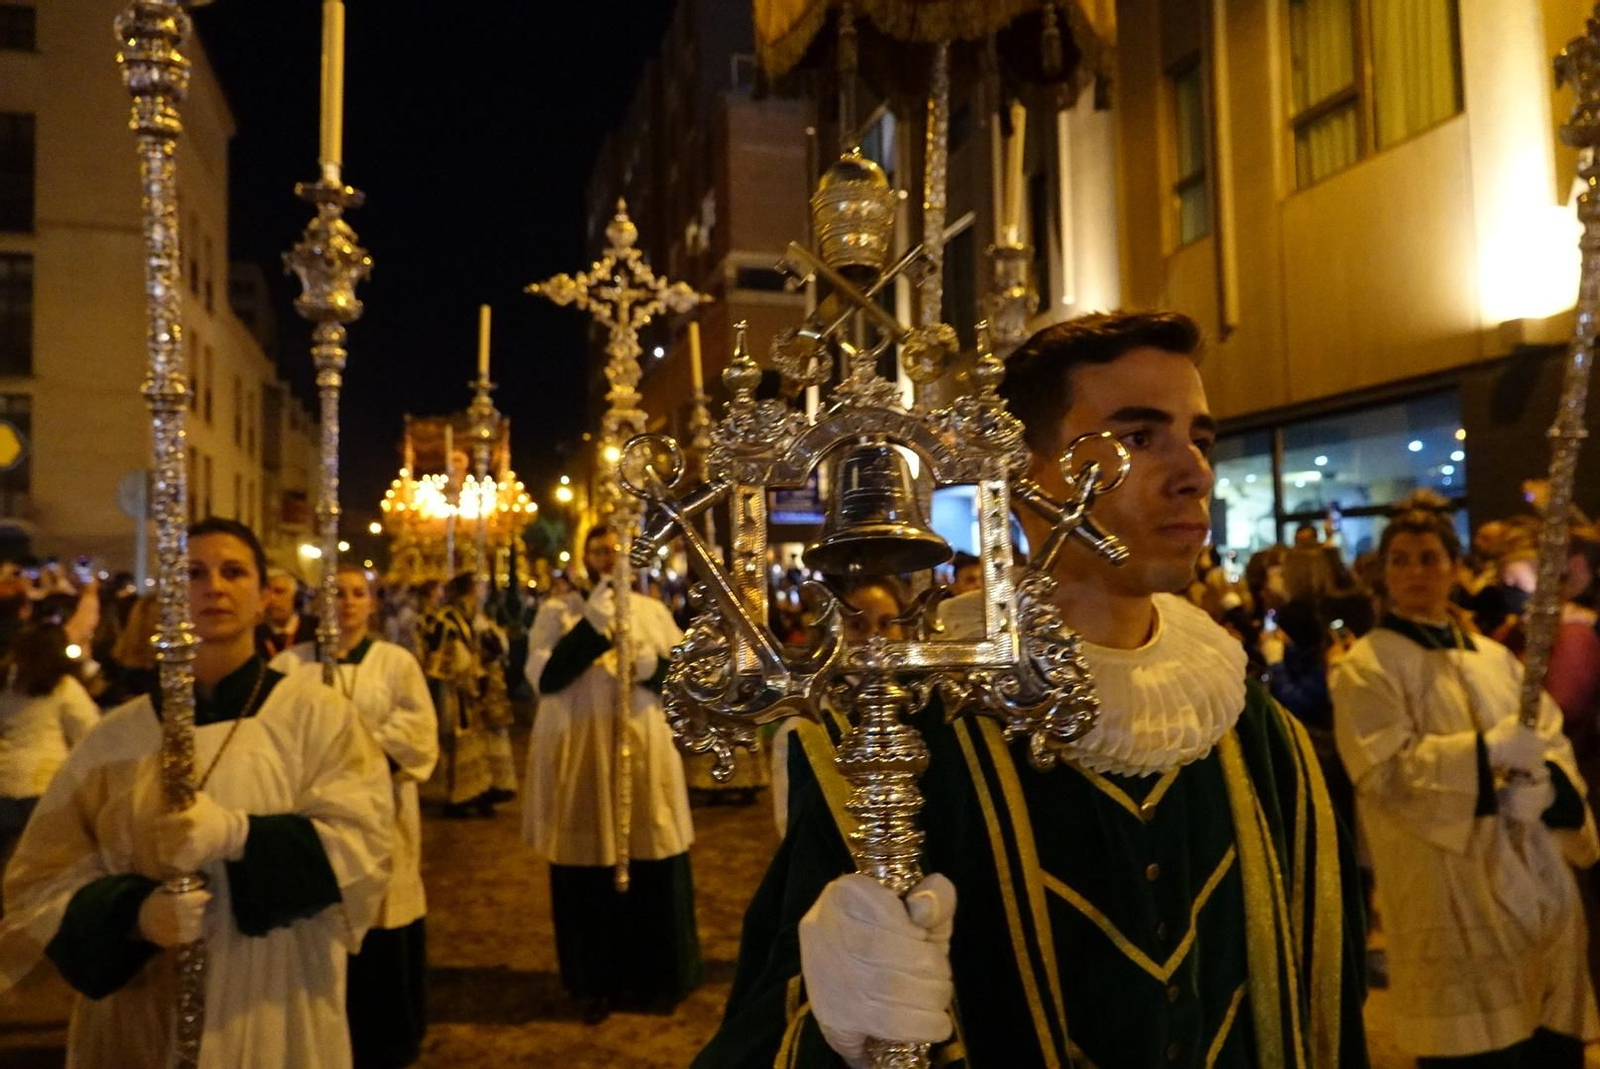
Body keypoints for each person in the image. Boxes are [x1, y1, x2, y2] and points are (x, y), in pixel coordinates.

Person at [695, 311, 1366, 1067]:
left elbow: (1325, 1009)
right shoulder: (897, 741)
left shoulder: (1255, 732)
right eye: (1140, 438)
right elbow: (768, 1024)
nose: (1195, 471)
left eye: (1200, 439)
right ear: (1018, 474)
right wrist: (837, 1018)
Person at [0, 518, 393, 1069]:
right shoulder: (114, 740)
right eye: (192, 573)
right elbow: (39, 880)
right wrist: (132, 916)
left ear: (263, 598)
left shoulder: (319, 719)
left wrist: (241, 837)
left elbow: (365, 847)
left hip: (274, 999)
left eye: (234, 572)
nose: (214, 586)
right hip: (141, 1010)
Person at [1332, 506, 1598, 1067]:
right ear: (1383, 573)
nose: (1415, 572)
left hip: (1530, 877)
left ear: (1454, 567)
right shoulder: (1368, 666)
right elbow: (1383, 773)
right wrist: (1486, 754)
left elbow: (1549, 737)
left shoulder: (1496, 659)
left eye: (1430, 558)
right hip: (1445, 884)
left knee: (1545, 1040)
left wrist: (1546, 789)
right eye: (1400, 561)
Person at [522, 524, 700, 1023]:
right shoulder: (557, 613)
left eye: (616, 550)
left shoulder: (654, 611)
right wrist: (591, 628)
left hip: (642, 754)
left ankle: (656, 977)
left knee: (652, 853)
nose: (607, 557)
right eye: (598, 550)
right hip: (581, 753)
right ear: (584, 557)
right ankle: (593, 980)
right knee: (586, 864)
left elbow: (687, 681)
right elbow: (545, 676)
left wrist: (656, 669)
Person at [271, 564, 438, 1069]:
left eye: (356, 594)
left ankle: (387, 1040)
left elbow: (414, 730)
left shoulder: (394, 663)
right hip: (312, 818)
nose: (344, 603)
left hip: (381, 813)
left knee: (383, 915)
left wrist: (351, 759)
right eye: (334, 594)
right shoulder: (288, 666)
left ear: (371, 603)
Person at [0, 624, 100, 881]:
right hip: (46, 784)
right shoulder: (62, 687)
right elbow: (89, 733)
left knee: (7, 859)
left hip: (5, 783)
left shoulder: (6, 685)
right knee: (44, 863)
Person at [422, 573, 502, 818]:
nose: (485, 590)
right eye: (481, 586)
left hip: (477, 690)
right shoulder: (447, 618)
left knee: (479, 744)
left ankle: (477, 792)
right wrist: (470, 666)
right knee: (456, 744)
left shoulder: (476, 615)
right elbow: (445, 652)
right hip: (456, 691)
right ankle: (457, 796)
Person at [256, 566, 317, 659]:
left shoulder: (316, 628)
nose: (271, 598)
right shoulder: (253, 634)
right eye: (266, 593)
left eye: (279, 591)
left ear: (296, 596)